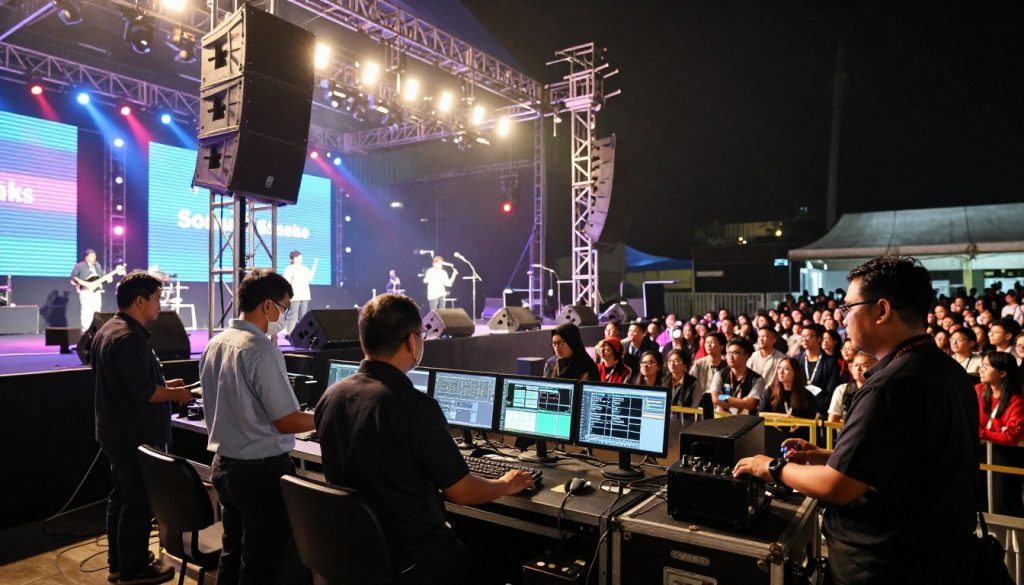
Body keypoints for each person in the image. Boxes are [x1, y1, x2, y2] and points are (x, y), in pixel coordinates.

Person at [734, 256, 978, 585]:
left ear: (882, 310)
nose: (843, 317)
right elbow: (907, 462)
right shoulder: (946, 370)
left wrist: (771, 467)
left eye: (849, 307)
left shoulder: (889, 385)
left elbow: (839, 487)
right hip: (937, 556)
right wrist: (825, 455)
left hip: (884, 564)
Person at [314, 294, 533, 583]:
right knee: (501, 554)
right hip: (417, 559)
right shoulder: (414, 407)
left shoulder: (331, 397)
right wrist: (505, 484)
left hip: (357, 554)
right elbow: (462, 493)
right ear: (411, 342)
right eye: (422, 335)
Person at [199, 270, 315, 585]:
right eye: (284, 307)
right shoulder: (260, 349)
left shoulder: (216, 343)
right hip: (260, 474)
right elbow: (286, 420)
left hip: (225, 467)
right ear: (267, 306)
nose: (284, 315)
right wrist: (329, 416)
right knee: (261, 562)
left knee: (232, 551)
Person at [92, 271, 192, 585]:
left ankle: (120, 562)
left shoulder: (109, 329)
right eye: (157, 298)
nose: (160, 305)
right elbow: (142, 393)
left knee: (122, 497)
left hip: (115, 430)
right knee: (136, 501)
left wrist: (166, 384)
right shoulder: (130, 337)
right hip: (134, 434)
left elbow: (133, 383)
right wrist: (174, 394)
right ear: (140, 300)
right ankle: (133, 569)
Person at [977, 351, 1024, 517]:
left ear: (1003, 373)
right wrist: (994, 432)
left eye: (986, 366)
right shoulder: (978, 391)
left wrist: (983, 433)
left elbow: (1011, 436)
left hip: (1006, 456)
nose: (980, 370)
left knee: (1003, 500)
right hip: (981, 453)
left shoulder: (1016, 400)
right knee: (979, 497)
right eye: (981, 365)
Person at [710, 337, 765, 415]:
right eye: (729, 353)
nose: (730, 356)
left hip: (747, 423)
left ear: (747, 355)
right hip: (721, 421)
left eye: (736, 353)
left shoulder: (757, 379)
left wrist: (723, 398)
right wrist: (741, 402)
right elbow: (715, 398)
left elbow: (750, 404)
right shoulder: (720, 374)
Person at [797, 323, 841, 417]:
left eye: (808, 336)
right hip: (798, 410)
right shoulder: (796, 360)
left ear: (819, 339)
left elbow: (831, 391)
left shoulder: (830, 363)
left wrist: (821, 411)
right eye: (803, 336)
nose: (804, 339)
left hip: (821, 412)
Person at [827, 352, 878, 424]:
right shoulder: (842, 389)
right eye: (856, 365)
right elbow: (832, 421)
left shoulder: (879, 390)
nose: (858, 369)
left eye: (864, 366)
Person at [282, 250, 317, 335]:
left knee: (304, 317)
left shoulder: (304, 268)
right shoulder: (289, 269)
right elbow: (286, 282)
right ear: (293, 259)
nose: (300, 259)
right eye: (298, 257)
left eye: (301, 257)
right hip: (295, 297)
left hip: (304, 296)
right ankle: (290, 334)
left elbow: (310, 278)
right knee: (293, 316)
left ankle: (303, 335)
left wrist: (315, 264)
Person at [70, 249, 106, 329]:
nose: (94, 257)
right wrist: (80, 283)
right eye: (92, 255)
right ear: (86, 257)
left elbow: (102, 277)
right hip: (86, 291)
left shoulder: (97, 265)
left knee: (97, 310)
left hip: (97, 291)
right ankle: (86, 329)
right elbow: (73, 278)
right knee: (86, 310)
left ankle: (96, 328)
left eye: (95, 255)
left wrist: (108, 279)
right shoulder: (79, 265)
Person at [689, 332, 728, 398]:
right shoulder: (699, 364)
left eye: (712, 342)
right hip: (702, 402)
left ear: (721, 347)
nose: (708, 345)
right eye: (707, 342)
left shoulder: (727, 364)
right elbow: (690, 384)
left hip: (722, 401)